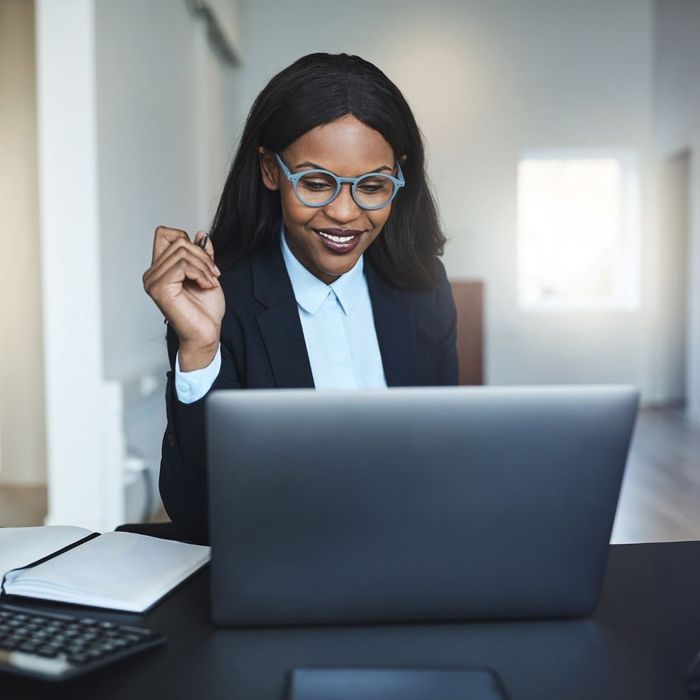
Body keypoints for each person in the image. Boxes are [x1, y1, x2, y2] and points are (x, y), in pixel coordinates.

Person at [142, 53, 459, 544]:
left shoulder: (423, 289)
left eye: (372, 186)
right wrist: (201, 349)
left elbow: (443, 465)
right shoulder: (219, 300)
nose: (344, 213)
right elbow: (198, 517)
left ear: (398, 177)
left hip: (407, 563)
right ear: (270, 169)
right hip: (281, 577)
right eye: (315, 183)